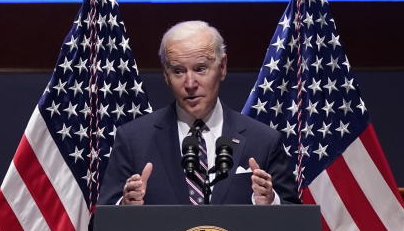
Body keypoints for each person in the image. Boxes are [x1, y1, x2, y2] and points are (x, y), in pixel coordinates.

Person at [98, 20, 299, 206]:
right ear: (166, 76)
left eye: (201, 69)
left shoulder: (263, 140)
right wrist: (125, 207)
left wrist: (272, 202)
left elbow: (297, 228)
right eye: (178, 71)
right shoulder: (134, 140)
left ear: (222, 67)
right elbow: (97, 230)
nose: (190, 84)